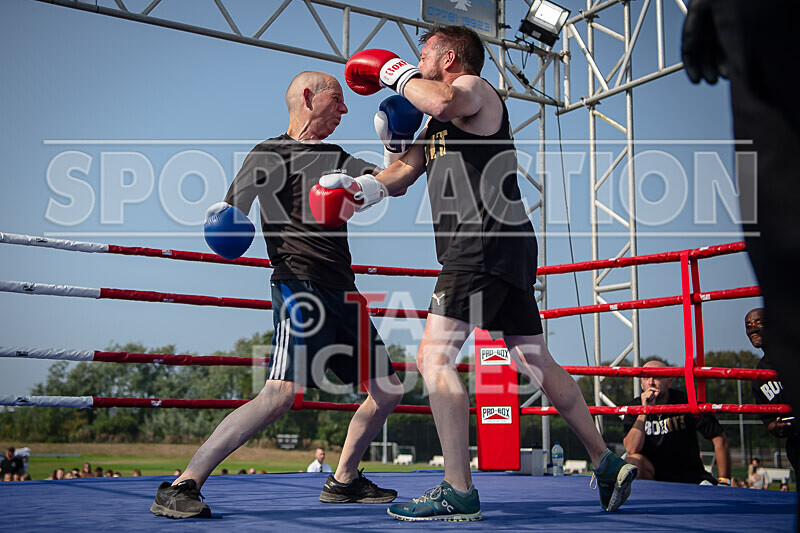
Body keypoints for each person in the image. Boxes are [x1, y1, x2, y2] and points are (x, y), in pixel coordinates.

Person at [325, 24, 637, 521]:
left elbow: (444, 100)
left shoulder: (472, 90)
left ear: (449, 57)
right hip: (503, 244)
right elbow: (401, 178)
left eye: (423, 53)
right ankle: (604, 461)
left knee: (433, 358)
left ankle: (458, 488)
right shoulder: (437, 124)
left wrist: (392, 72)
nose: (416, 59)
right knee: (535, 358)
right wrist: (359, 185)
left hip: (480, 242)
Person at [149, 71, 404, 520]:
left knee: (387, 390)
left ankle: (343, 480)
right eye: (337, 100)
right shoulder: (268, 154)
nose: (345, 110)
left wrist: (396, 143)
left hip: (342, 288)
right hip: (299, 284)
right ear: (308, 98)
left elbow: (389, 182)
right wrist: (223, 221)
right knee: (279, 394)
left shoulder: (338, 157)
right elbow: (232, 214)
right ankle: (182, 484)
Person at [623, 361, 732, 485]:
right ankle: (654, 496)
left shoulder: (685, 401)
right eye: (646, 377)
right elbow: (631, 448)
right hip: (655, 476)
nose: (651, 382)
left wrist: (724, 481)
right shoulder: (633, 407)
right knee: (632, 462)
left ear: (669, 382)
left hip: (690, 475)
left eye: (657, 376)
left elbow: (719, 437)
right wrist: (644, 411)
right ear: (641, 383)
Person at [745, 308, 798, 471]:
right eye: (748, 325)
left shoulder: (794, 354)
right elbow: (768, 421)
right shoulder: (758, 376)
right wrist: (777, 427)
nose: (752, 328)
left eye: (758, 322)